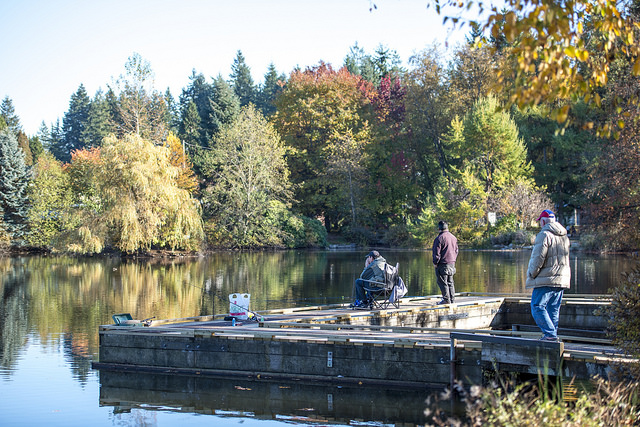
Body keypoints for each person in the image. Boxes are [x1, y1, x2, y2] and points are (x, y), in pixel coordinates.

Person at [526, 209, 571, 342]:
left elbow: (538, 257)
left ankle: (550, 334)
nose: (540, 224)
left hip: (546, 279)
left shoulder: (544, 234)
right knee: (553, 308)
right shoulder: (564, 236)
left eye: (540, 221)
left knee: (537, 306)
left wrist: (532, 274)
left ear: (543, 221)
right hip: (561, 278)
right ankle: (552, 336)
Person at [432, 221, 458, 305]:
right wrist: (453, 259)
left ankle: (446, 300)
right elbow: (456, 250)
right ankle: (452, 299)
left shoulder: (439, 238)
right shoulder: (453, 237)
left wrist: (435, 263)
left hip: (442, 264)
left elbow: (436, 253)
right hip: (452, 263)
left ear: (439, 229)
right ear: (447, 228)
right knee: (450, 282)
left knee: (443, 282)